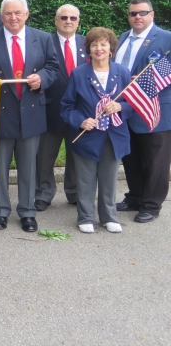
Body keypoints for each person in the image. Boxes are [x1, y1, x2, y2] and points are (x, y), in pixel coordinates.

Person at [0, 0, 58, 233]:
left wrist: (42, 79)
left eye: (18, 12)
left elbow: (53, 68)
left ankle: (28, 212)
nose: (13, 17)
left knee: (29, 167)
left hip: (31, 113)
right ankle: (0, 211)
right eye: (8, 13)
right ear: (1, 16)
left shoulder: (43, 38)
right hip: (0, 113)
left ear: (27, 14)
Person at [61, 27, 133, 233]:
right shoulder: (78, 73)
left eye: (103, 44)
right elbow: (67, 106)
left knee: (109, 178)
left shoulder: (122, 72)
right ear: (89, 50)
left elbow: (132, 103)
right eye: (94, 45)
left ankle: (109, 217)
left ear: (111, 49)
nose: (99, 48)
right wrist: (81, 121)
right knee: (85, 179)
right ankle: (85, 217)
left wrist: (120, 106)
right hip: (87, 134)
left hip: (114, 134)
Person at [115, 0, 171, 223]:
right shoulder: (122, 38)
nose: (137, 16)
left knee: (155, 160)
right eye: (133, 13)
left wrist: (147, 80)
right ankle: (135, 197)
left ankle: (151, 204)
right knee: (131, 157)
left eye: (142, 12)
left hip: (156, 111)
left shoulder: (167, 38)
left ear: (152, 14)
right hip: (127, 110)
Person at [35, 5, 89, 211]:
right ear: (56, 20)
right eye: (64, 17)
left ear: (78, 21)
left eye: (73, 18)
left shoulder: (88, 43)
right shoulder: (43, 42)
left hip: (80, 111)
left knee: (77, 154)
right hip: (50, 108)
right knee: (44, 156)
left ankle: (75, 192)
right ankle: (43, 193)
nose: (68, 21)